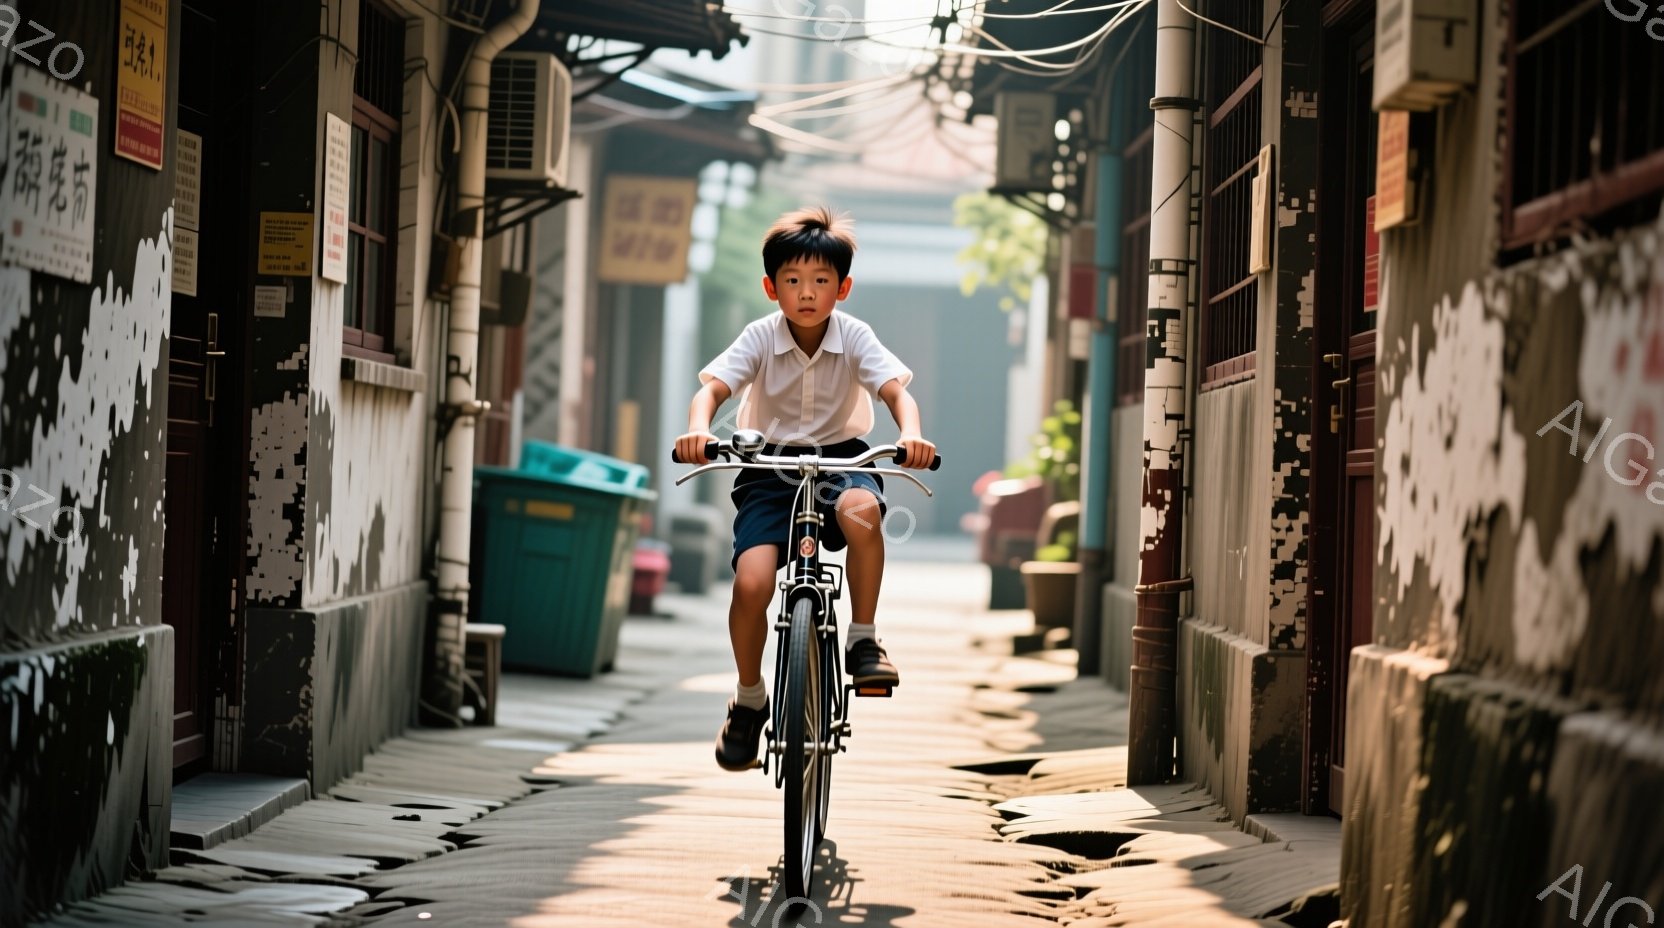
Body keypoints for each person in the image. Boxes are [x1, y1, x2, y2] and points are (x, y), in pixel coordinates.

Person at [674, 206, 937, 772]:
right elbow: (713, 390)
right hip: (768, 465)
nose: (807, 293)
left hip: (845, 459)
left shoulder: (857, 336)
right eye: (792, 281)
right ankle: (749, 700)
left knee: (864, 510)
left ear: (843, 287)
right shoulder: (759, 337)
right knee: (751, 583)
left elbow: (895, 393)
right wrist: (699, 428)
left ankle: (863, 639)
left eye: (821, 281)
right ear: (771, 287)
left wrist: (911, 434)